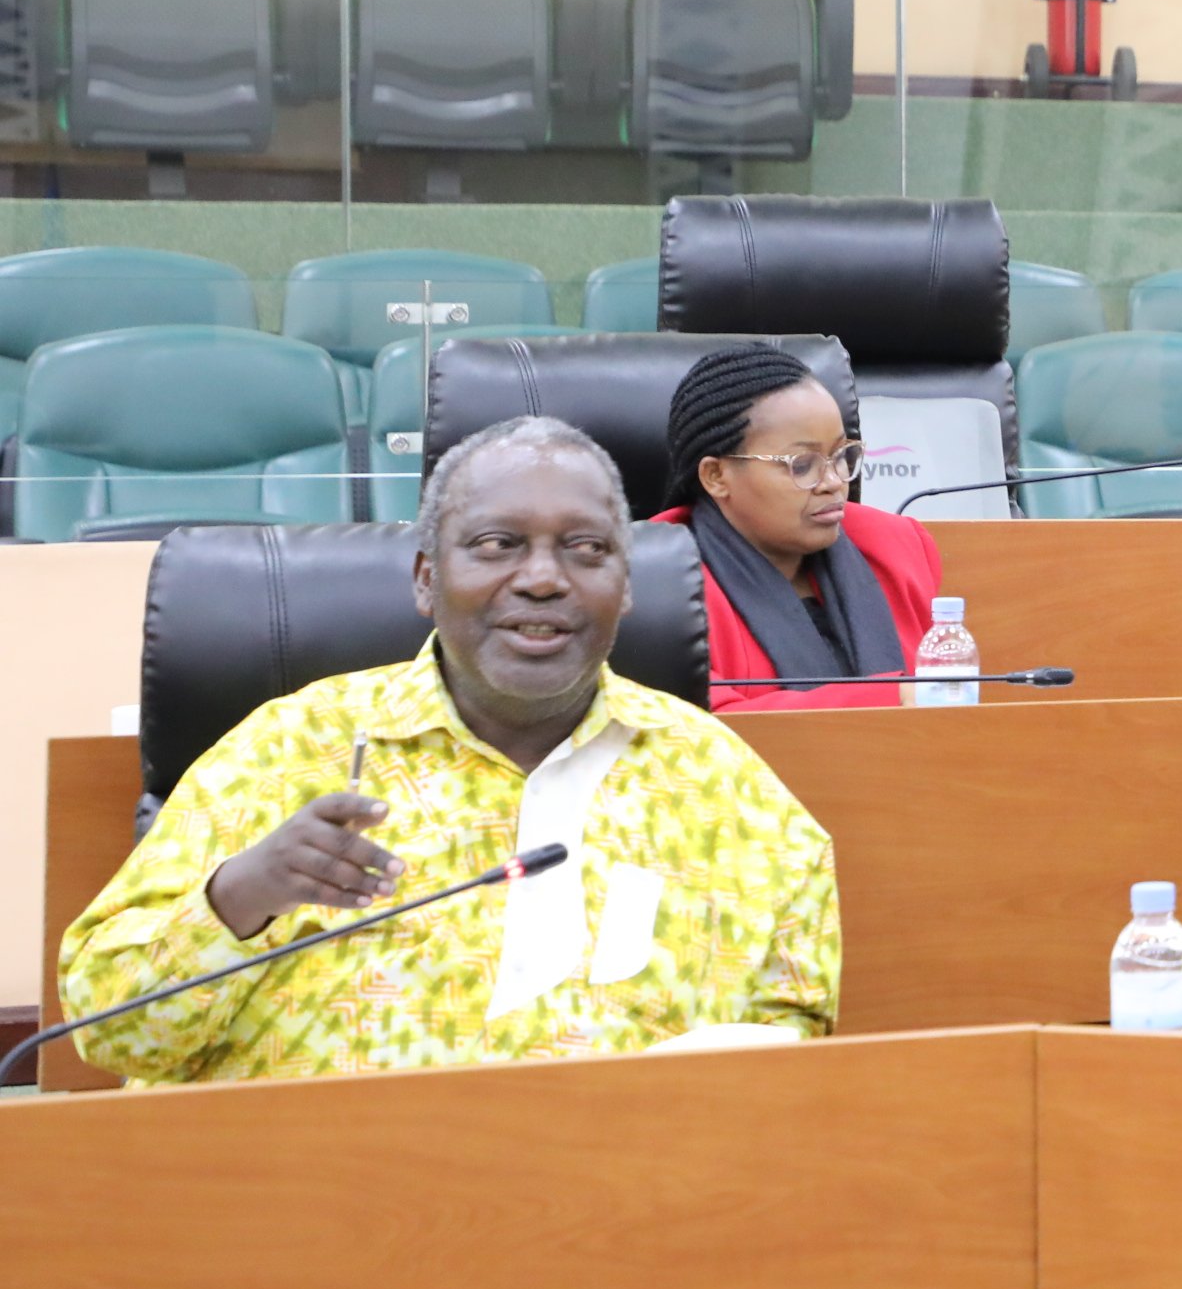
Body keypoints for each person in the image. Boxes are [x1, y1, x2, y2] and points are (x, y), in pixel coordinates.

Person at [59, 415, 841, 1085]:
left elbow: (793, 1048)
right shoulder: (292, 749)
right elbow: (108, 1031)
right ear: (428, 579)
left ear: (626, 588)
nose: (543, 579)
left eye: (586, 550)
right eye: (498, 545)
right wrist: (242, 895)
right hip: (304, 1218)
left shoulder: (727, 790)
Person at [650, 343, 945, 712]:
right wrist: (894, 698)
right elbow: (696, 724)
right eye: (802, 464)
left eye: (841, 456)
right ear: (715, 476)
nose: (835, 481)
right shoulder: (658, 582)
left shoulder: (897, 547)